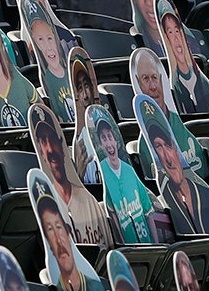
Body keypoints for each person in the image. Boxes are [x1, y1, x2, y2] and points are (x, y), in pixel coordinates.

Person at [34, 112, 106, 245]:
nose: (50, 149)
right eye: (43, 141)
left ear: (62, 147)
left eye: (53, 139)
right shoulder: (47, 209)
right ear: (40, 153)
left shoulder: (89, 200)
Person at [148, 119, 209, 234]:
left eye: (168, 146)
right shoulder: (165, 205)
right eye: (159, 147)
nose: (168, 159)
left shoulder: (207, 194)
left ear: (176, 150)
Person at [132, 49, 201, 169]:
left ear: (161, 79)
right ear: (138, 83)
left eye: (154, 78)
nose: (153, 86)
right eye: (145, 79)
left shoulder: (180, 127)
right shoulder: (145, 145)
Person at [91, 111, 154, 243]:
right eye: (103, 138)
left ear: (116, 140)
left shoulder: (129, 170)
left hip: (148, 245)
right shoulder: (102, 172)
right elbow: (113, 218)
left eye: (109, 137)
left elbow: (148, 212)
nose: (108, 144)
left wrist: (158, 244)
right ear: (101, 144)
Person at [37, 195, 103, 291]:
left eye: (59, 227)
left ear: (68, 234)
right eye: (50, 229)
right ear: (48, 243)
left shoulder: (97, 286)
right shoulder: (54, 286)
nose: (58, 239)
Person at [163, 4, 209, 114]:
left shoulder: (203, 83)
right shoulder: (174, 87)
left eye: (177, 31)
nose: (176, 38)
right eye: (170, 32)